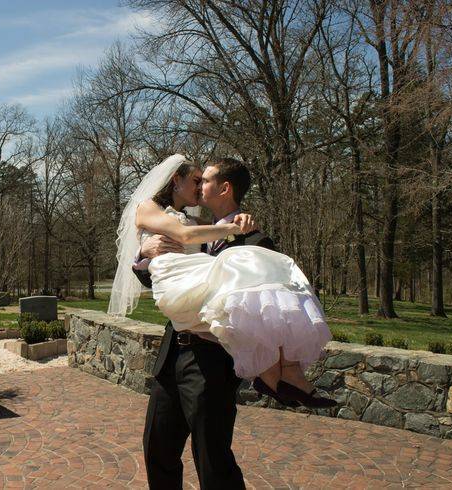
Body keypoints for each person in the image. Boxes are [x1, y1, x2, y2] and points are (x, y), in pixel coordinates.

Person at [108, 154, 334, 489]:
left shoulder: (254, 241)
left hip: (211, 365)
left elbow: (271, 309)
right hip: (172, 357)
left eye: (205, 181)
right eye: (195, 181)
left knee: (212, 460)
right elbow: (162, 279)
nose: (199, 187)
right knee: (158, 450)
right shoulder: (187, 226)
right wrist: (145, 255)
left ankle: (285, 379)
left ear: (224, 188)